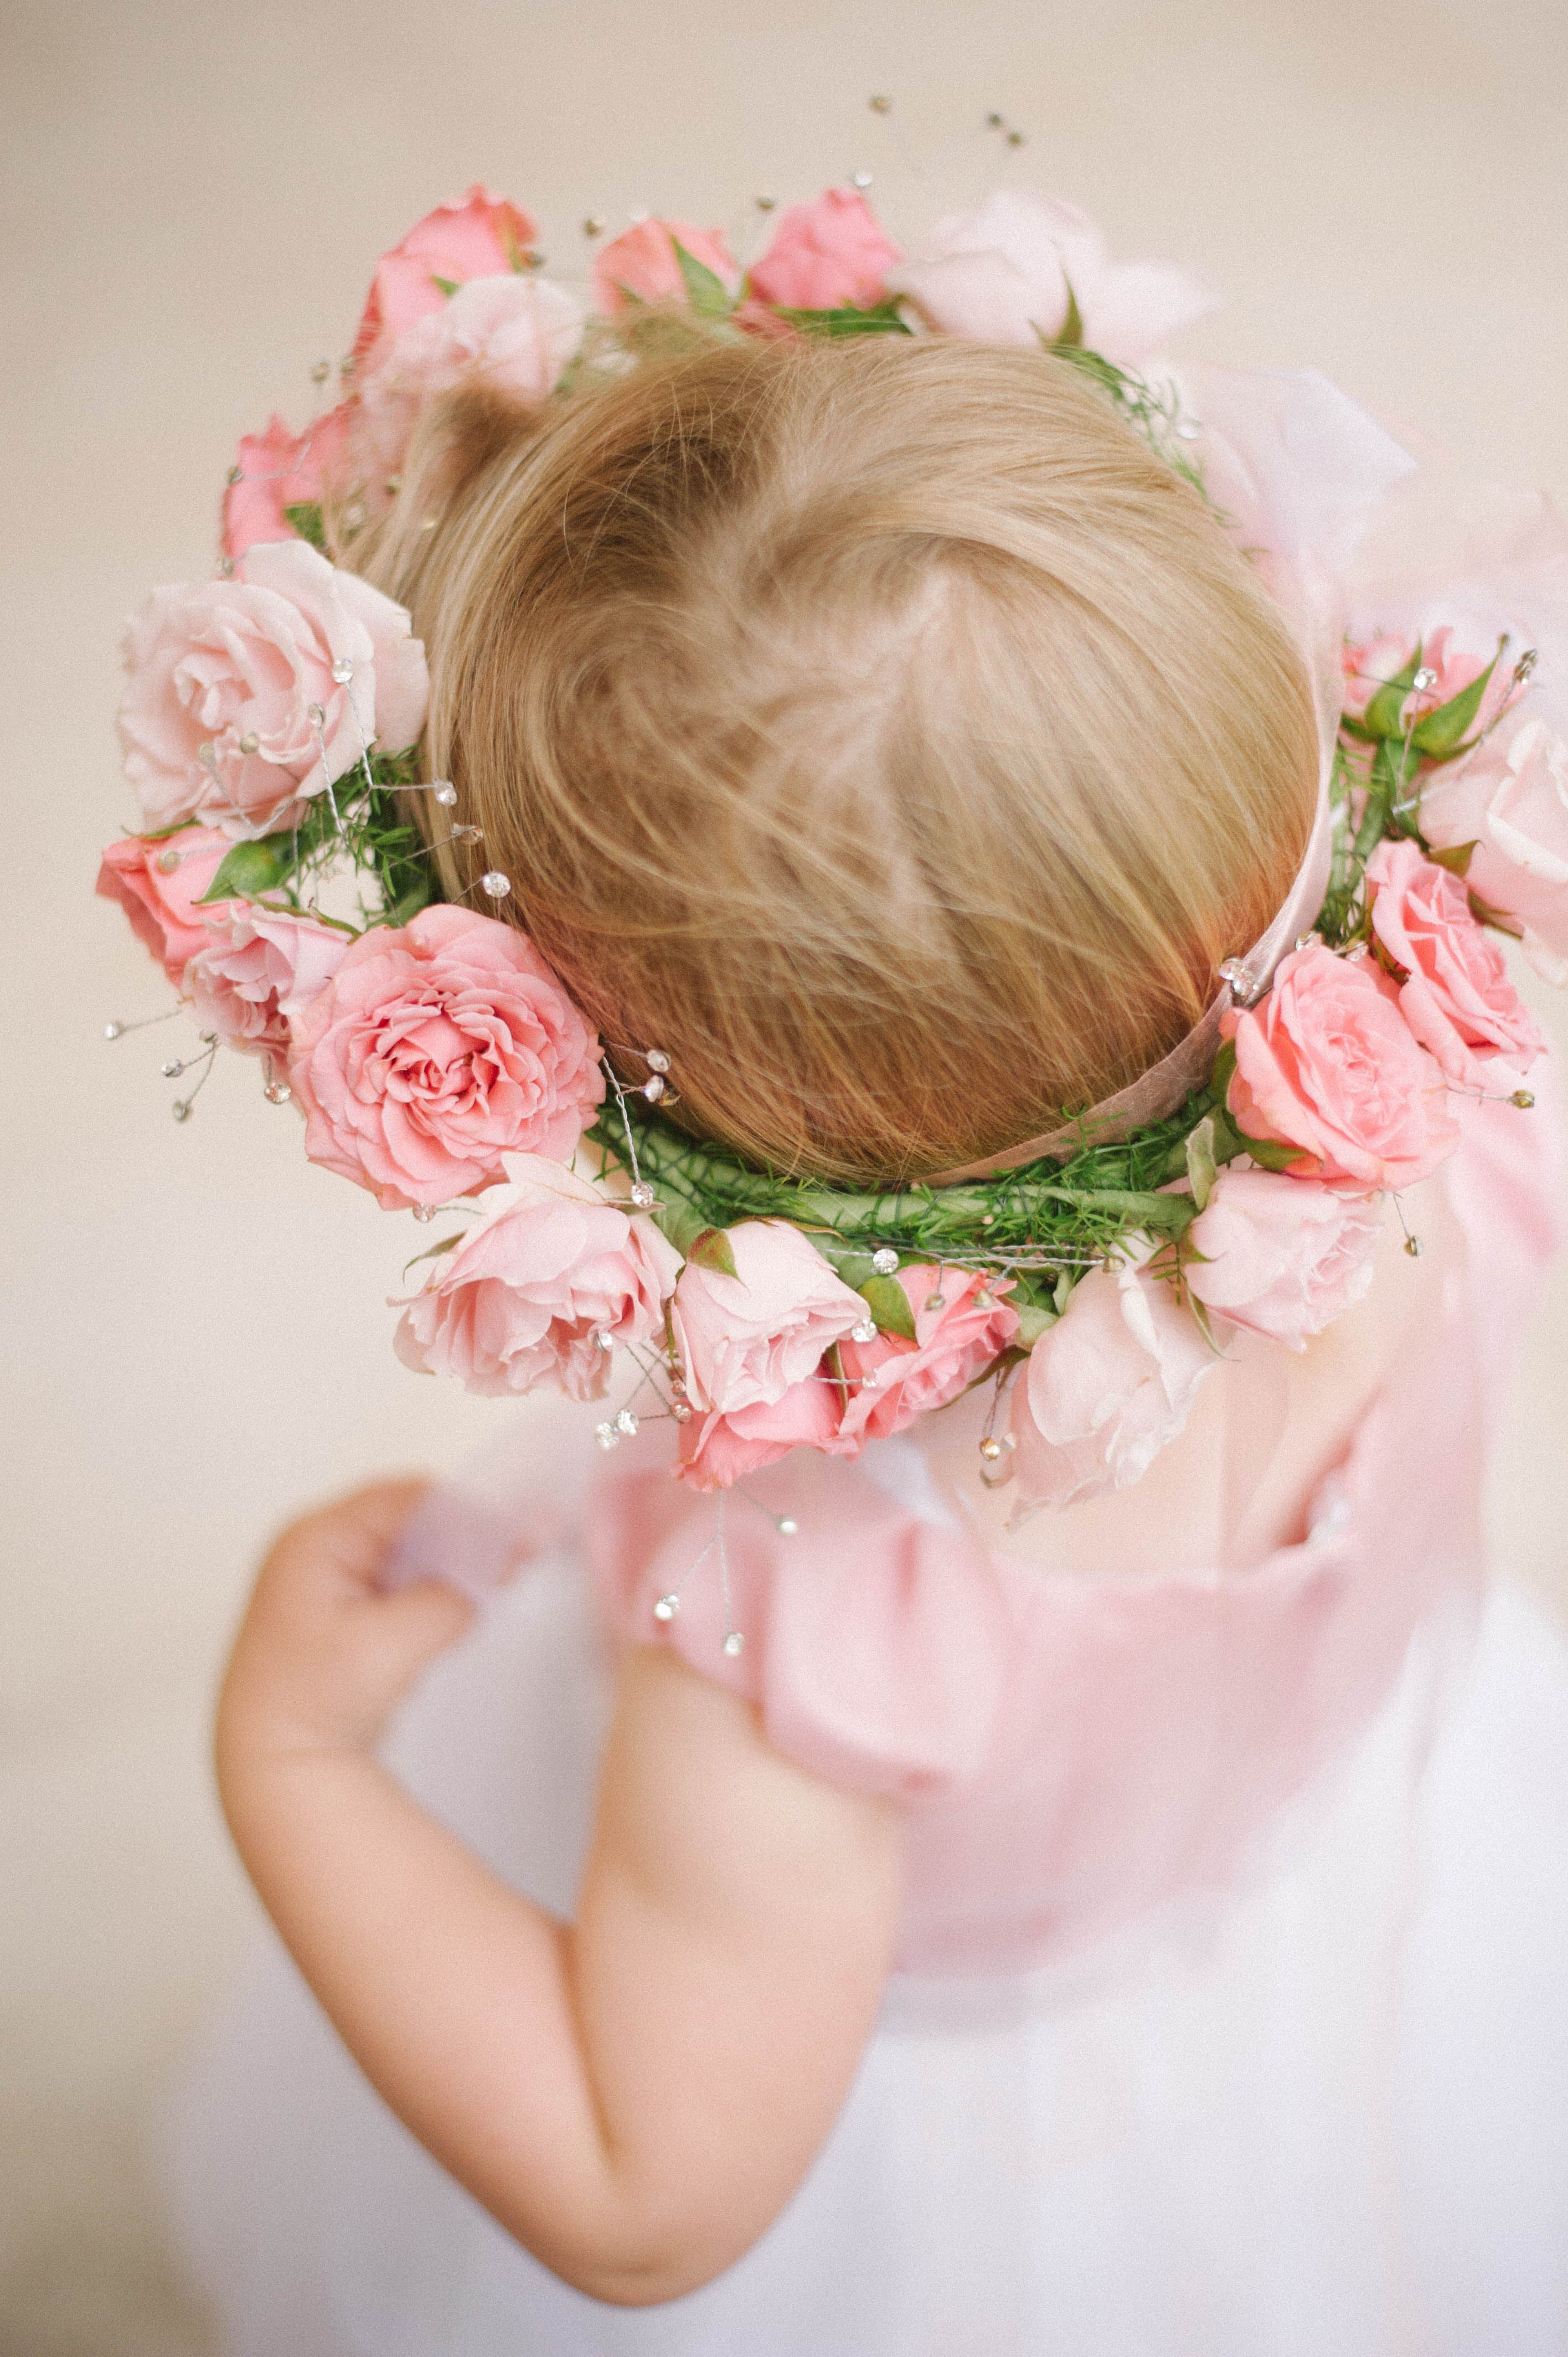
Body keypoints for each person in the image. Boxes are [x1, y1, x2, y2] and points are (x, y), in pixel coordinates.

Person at [110, 189, 1568, 2354]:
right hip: (1324, 1851)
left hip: (950, 2156)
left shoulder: (820, 1607)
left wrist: (293, 1763)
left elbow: (639, 2183)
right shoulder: (1473, 1020)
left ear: (644, 1108)